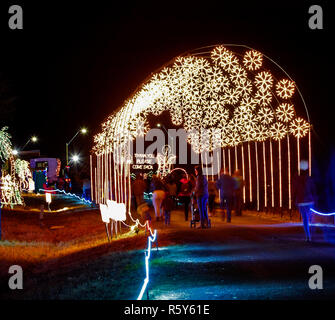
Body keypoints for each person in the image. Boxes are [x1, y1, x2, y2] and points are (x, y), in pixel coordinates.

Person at [292, 160, 317, 242]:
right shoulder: (309, 179)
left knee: (305, 219)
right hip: (310, 201)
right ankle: (312, 235)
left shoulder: (296, 179)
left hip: (301, 201)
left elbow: (294, 191)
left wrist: (293, 199)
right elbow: (313, 189)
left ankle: (308, 236)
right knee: (311, 218)